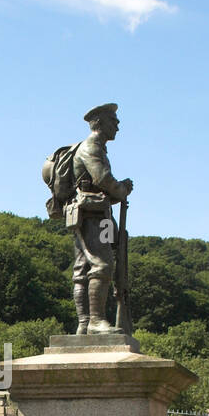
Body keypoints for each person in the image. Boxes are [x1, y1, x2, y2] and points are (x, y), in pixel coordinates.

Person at [69, 103, 133, 334]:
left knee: (87, 268)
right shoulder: (91, 147)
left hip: (100, 215)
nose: (117, 125)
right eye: (112, 120)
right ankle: (93, 322)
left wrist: (117, 192)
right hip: (93, 217)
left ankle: (85, 324)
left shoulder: (98, 148)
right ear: (99, 123)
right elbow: (102, 179)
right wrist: (122, 189)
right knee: (101, 265)